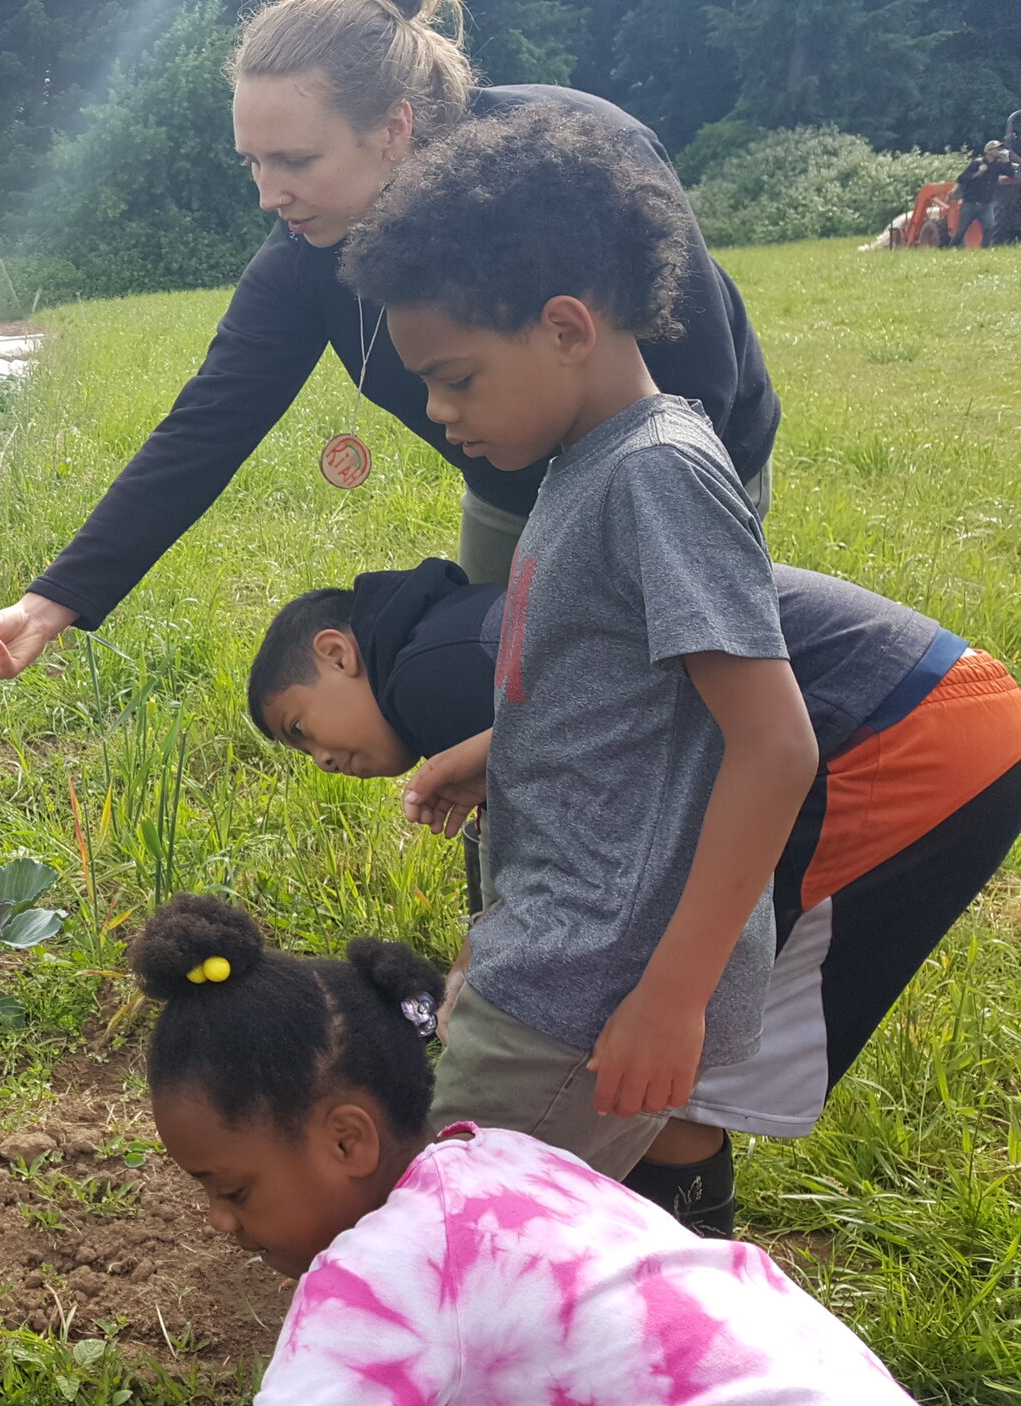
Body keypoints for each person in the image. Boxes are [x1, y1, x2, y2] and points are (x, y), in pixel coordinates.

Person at [0, 0, 779, 706]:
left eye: (296, 159)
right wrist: (52, 604)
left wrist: (611, 544)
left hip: (687, 464)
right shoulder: (305, 257)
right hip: (513, 491)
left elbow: (699, 372)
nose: (271, 194)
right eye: (255, 163)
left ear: (394, 129)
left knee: (668, 706)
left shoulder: (576, 156)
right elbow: (208, 424)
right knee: (510, 703)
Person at [244, 558, 1021, 1234]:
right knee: (665, 1060)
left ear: (338, 652)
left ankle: (671, 1304)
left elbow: (575, 871)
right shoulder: (461, 634)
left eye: (300, 727)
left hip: (893, 737)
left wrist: (488, 992)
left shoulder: (427, 670)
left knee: (660, 1060)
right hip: (933, 703)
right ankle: (672, 1280)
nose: (319, 760)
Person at [338, 105, 820, 1179]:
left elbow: (774, 747)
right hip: (559, 948)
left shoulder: (655, 474)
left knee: (446, 1222)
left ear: (565, 328)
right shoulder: (584, 458)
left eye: (454, 377)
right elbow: (628, 696)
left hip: (599, 977)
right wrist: (495, 746)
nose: (434, 409)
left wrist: (673, 994)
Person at [131, 894, 920, 1404]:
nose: (221, 1224)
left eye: (233, 1190)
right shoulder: (509, 1158)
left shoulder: (374, 1276)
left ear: (347, 1138)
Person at [953, 143, 1003, 248]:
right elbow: (962, 179)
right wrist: (978, 173)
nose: (999, 150)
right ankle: (952, 248)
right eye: (996, 149)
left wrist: (1007, 161)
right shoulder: (976, 163)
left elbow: (1011, 173)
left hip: (986, 204)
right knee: (962, 229)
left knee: (990, 227)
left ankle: (985, 249)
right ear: (989, 151)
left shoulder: (998, 165)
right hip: (970, 203)